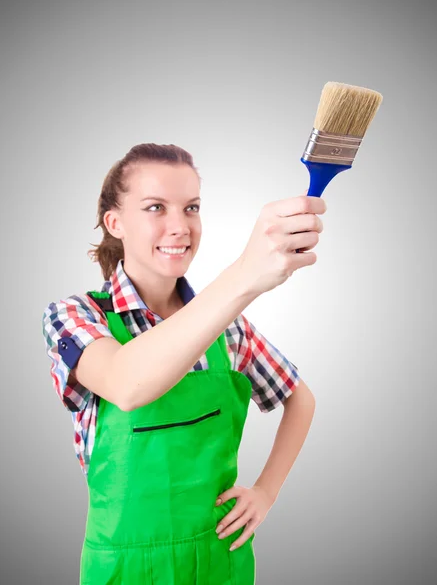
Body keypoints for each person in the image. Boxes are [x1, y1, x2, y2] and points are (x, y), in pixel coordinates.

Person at [41, 143, 325, 584]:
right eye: (156, 207)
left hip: (218, 558)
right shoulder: (75, 317)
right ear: (115, 223)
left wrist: (265, 492)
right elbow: (125, 384)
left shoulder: (228, 328)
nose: (180, 226)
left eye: (191, 207)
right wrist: (243, 275)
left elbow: (299, 399)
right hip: (123, 567)